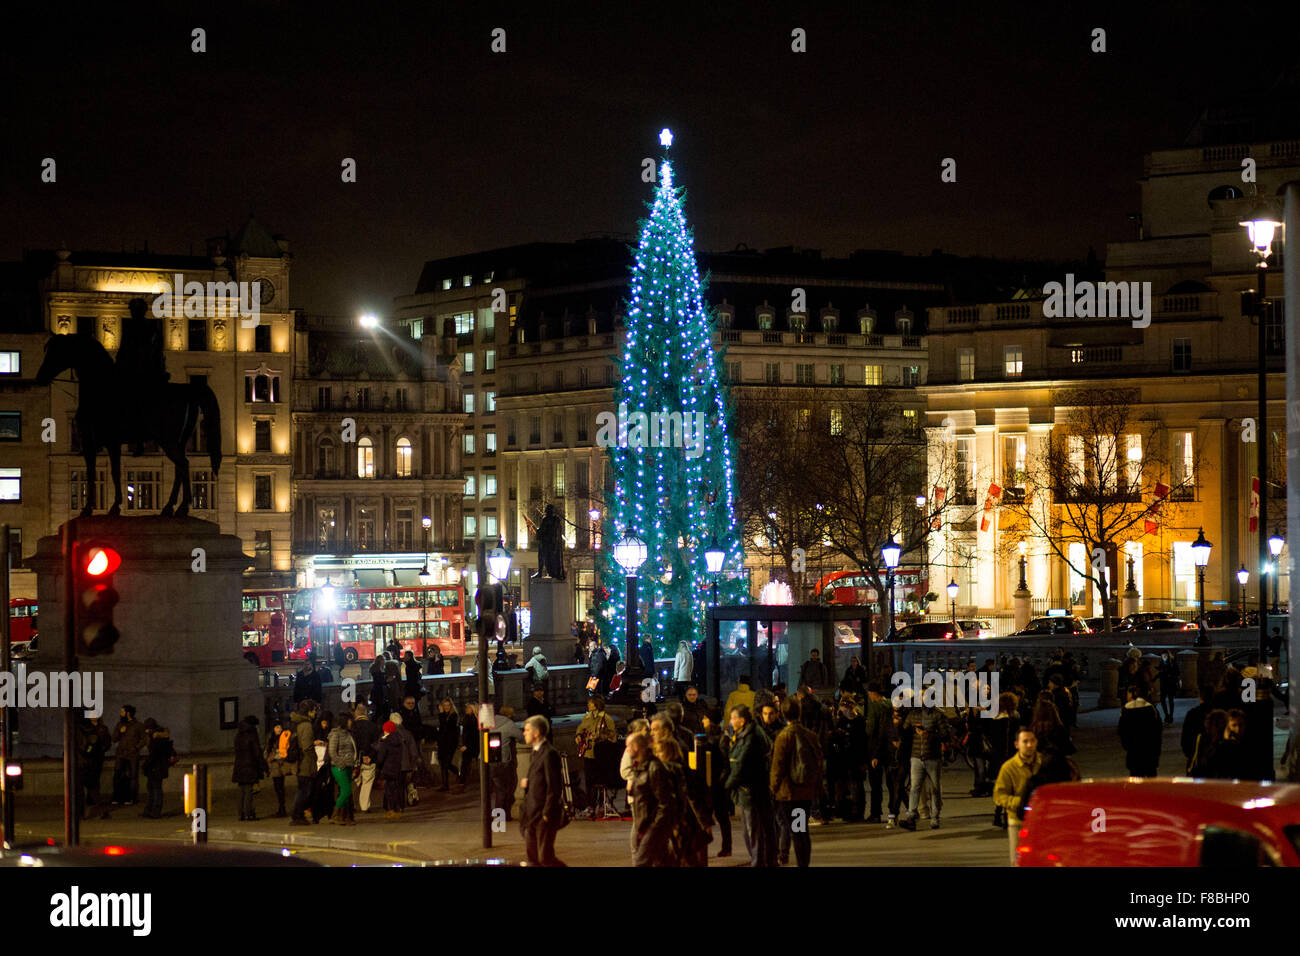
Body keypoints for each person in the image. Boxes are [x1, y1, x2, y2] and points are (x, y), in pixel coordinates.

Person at [771, 696, 823, 866]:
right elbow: (819, 761)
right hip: (805, 792)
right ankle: (804, 863)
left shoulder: (783, 737)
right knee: (801, 831)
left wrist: (773, 789)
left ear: (783, 714)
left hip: (789, 794)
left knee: (795, 831)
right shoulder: (811, 736)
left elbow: (778, 767)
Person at [724, 704, 777, 866]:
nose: (731, 721)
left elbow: (741, 764)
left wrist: (726, 785)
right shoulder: (746, 734)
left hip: (751, 790)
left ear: (743, 720)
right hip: (754, 789)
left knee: (752, 832)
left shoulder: (751, 737)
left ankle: (759, 861)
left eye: (734, 718)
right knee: (759, 830)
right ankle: (766, 860)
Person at [993, 728, 1042, 866]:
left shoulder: (1043, 763)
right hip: (1018, 821)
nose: (1029, 745)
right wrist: (1020, 802)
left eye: (1032, 741)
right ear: (1017, 744)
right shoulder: (1009, 768)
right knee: (1019, 862)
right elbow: (999, 796)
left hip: (1040, 822)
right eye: (1025, 741)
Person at [521, 715, 565, 865]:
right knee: (533, 857)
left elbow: (554, 785)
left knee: (545, 857)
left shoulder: (549, 753)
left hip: (542, 814)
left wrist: (547, 813)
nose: (524, 733)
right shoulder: (535, 753)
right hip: (531, 814)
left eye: (527, 730)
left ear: (537, 732)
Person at [899, 703, 949, 830]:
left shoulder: (937, 714)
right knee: (915, 787)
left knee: (935, 788)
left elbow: (945, 734)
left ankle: (934, 817)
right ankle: (911, 816)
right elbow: (904, 732)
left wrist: (930, 735)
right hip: (916, 756)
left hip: (933, 757)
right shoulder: (912, 714)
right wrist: (899, 725)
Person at [829, 694, 868, 821]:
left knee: (856, 786)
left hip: (856, 758)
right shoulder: (842, 721)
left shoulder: (859, 721)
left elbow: (863, 741)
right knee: (848, 787)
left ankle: (858, 812)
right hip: (844, 759)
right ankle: (848, 812)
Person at [575, 695, 618, 810]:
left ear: (596, 704)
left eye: (591, 703)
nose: (588, 705)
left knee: (600, 778)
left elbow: (613, 735)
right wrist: (578, 736)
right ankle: (590, 803)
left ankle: (600, 803)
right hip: (588, 752)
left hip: (599, 753)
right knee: (589, 779)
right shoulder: (587, 717)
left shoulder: (606, 718)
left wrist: (599, 737)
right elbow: (580, 729)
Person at [986, 692, 1021, 827]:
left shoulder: (994, 719)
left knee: (1000, 788)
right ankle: (1006, 816)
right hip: (1010, 757)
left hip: (996, 758)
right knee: (1011, 789)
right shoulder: (1015, 719)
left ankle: (997, 814)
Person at [1117, 685, 1163, 777]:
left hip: (1134, 752)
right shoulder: (1151, 709)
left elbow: (1122, 731)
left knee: (1135, 778)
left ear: (1132, 694)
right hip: (1150, 751)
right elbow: (1158, 731)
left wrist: (1127, 745)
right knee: (1151, 778)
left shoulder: (1126, 710)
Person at [863, 682, 891, 823]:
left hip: (876, 748)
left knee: (875, 783)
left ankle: (875, 813)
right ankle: (894, 811)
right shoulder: (890, 704)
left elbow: (870, 730)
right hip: (890, 748)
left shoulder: (875, 707)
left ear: (873, 693)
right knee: (892, 782)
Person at [491, 706, 526, 820]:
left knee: (498, 789)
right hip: (502, 761)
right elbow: (521, 738)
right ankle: (500, 817)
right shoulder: (509, 724)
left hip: (487, 761)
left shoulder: (490, 721)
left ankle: (498, 815)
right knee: (505, 788)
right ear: (510, 715)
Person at [289, 700, 319, 825]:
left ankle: (298, 814)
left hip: (299, 762)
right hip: (305, 763)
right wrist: (314, 751)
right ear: (309, 711)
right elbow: (307, 746)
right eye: (314, 710)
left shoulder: (297, 723)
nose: (315, 712)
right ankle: (297, 815)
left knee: (302, 789)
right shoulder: (306, 725)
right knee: (305, 791)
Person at [111, 704, 147, 805]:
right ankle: (118, 797)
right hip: (121, 754)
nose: (121, 714)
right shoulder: (119, 725)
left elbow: (144, 739)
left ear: (128, 713)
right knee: (118, 775)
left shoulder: (138, 725)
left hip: (132, 755)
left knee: (133, 776)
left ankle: (132, 798)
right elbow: (114, 739)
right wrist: (120, 732)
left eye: (122, 712)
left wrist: (136, 747)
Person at [232, 716, 265, 821]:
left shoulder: (238, 735)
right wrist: (263, 766)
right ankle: (248, 813)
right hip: (250, 766)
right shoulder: (252, 735)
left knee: (241, 790)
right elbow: (257, 753)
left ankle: (240, 813)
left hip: (239, 766)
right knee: (248, 791)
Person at [78, 715, 112, 819]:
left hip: (83, 763)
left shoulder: (79, 730)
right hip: (91, 763)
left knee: (81, 790)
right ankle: (101, 811)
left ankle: (81, 813)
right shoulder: (95, 731)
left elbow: (84, 748)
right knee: (93, 789)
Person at [327, 712, 358, 825]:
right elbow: (332, 752)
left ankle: (342, 816)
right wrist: (341, 763)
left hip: (349, 766)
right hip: (339, 767)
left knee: (346, 792)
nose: (351, 722)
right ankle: (335, 814)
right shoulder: (336, 734)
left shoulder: (348, 734)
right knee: (346, 791)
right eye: (349, 720)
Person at [140, 719, 173, 819]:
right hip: (159, 766)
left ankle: (154, 811)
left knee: (155, 789)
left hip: (156, 767)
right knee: (152, 788)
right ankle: (150, 810)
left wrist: (145, 765)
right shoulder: (161, 737)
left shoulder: (156, 739)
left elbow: (154, 755)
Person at [350, 704, 380, 813]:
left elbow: (352, 744)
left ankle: (351, 804)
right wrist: (370, 755)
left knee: (354, 782)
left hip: (355, 759)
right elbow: (377, 744)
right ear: (366, 713)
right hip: (370, 759)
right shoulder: (373, 726)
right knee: (367, 782)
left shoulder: (353, 726)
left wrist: (359, 756)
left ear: (356, 714)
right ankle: (364, 806)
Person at [1181, 685, 1214, 773]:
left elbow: (1185, 738)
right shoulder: (1216, 713)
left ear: (1200, 697)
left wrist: (1190, 754)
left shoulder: (1192, 714)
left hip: (1195, 758)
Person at [376, 721, 405, 820]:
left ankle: (391, 810)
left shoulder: (386, 741)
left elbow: (381, 757)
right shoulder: (399, 740)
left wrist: (378, 767)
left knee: (389, 790)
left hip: (387, 768)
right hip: (397, 767)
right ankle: (398, 810)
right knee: (396, 789)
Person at [434, 698, 459, 790]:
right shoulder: (443, 715)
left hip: (450, 744)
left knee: (447, 763)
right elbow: (441, 730)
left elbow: (446, 726)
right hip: (442, 744)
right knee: (442, 764)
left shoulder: (453, 715)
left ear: (451, 706)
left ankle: (457, 772)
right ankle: (445, 785)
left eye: (448, 705)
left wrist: (441, 714)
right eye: (444, 706)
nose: (446, 707)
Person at [456, 702, 479, 792]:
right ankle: (462, 784)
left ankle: (462, 784)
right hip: (469, 745)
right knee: (465, 765)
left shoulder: (472, 719)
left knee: (465, 765)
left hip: (471, 746)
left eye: (468, 708)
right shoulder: (468, 718)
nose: (466, 709)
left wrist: (466, 745)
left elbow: (473, 735)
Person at [1158, 650, 1179, 724]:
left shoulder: (1173, 663)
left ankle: (1171, 716)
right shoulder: (1162, 663)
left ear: (1168, 655)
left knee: (1170, 700)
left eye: (1165, 656)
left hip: (1170, 684)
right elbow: (1160, 673)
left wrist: (1169, 673)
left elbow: (1177, 672)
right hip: (1163, 684)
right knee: (1162, 700)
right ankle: (1166, 715)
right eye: (1162, 656)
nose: (1164, 657)